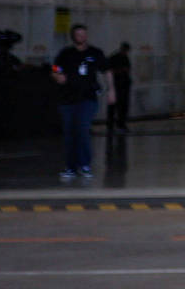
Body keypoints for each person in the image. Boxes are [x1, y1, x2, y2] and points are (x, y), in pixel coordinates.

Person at [49, 25, 109, 182]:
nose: (81, 37)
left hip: (87, 98)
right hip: (67, 99)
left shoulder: (95, 53)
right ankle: (71, 167)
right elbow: (55, 68)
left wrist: (111, 90)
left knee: (82, 129)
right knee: (70, 132)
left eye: (84, 34)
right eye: (78, 34)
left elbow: (106, 70)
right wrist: (57, 75)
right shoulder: (65, 53)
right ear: (73, 36)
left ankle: (85, 165)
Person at [106, 42, 134, 133]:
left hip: (123, 85)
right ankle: (112, 125)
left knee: (122, 107)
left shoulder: (124, 58)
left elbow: (127, 69)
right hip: (116, 85)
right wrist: (120, 71)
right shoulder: (114, 58)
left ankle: (120, 124)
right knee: (114, 106)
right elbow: (110, 70)